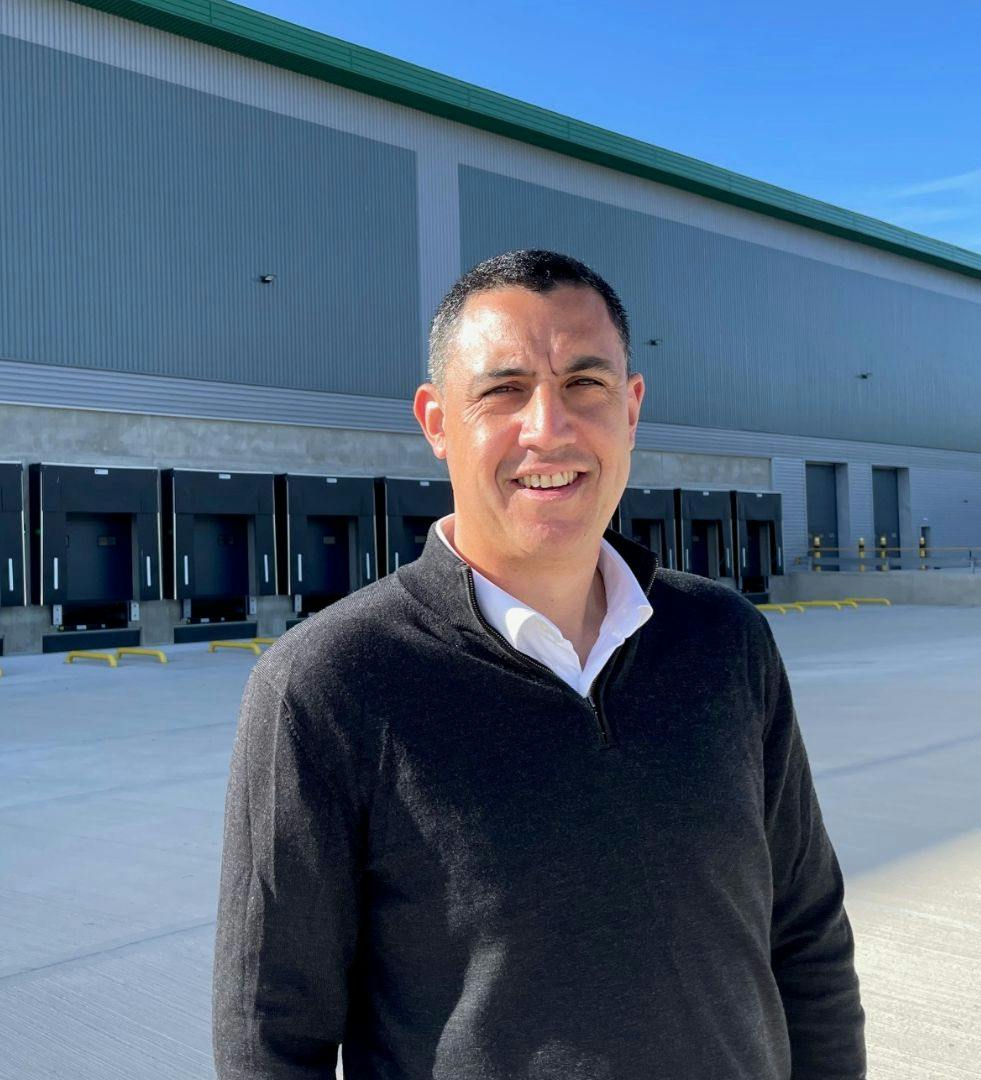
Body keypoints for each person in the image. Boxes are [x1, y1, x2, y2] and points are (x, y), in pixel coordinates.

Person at [212, 249, 866, 1079]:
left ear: (631, 409)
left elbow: (805, 934)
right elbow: (269, 1038)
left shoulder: (725, 640)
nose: (548, 427)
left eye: (585, 383)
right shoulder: (327, 685)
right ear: (437, 421)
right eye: (504, 390)